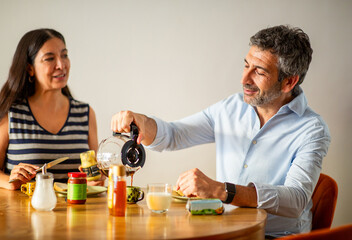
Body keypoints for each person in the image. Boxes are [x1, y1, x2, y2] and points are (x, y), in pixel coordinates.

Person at [111, 25, 331, 237]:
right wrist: (142, 121)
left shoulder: (312, 129)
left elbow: (296, 199)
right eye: (246, 66)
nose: (244, 79)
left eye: (259, 72)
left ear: (289, 82)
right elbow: (174, 134)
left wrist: (223, 190)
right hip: (225, 229)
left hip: (275, 236)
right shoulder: (230, 108)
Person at [0, 28, 102, 190]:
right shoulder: (12, 114)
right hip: (23, 214)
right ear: (30, 68)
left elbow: (95, 172)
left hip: (76, 213)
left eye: (64, 55)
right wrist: (10, 182)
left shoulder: (85, 114)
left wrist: (95, 180)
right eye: (49, 58)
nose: (61, 65)